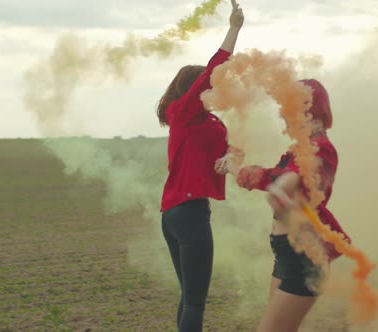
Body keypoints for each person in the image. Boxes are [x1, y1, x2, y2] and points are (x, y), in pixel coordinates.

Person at [235, 79, 350, 332]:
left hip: (305, 256)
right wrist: (248, 174)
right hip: (287, 252)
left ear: (312, 111)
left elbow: (294, 177)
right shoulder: (302, 147)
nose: (284, 117)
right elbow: (280, 176)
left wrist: (280, 188)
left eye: (291, 110)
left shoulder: (322, 149)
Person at [156, 1, 244, 331]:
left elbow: (235, 149)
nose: (214, 90)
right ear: (192, 90)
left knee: (189, 297)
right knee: (195, 302)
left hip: (176, 214)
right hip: (189, 214)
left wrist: (231, 159)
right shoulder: (185, 112)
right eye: (207, 88)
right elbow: (212, 72)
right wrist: (234, 30)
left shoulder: (208, 122)